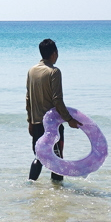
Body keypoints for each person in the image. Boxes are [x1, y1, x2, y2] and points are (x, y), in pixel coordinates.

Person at [26, 38, 81, 182]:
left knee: (39, 156)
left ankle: (30, 185)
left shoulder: (31, 71)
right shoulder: (54, 72)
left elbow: (28, 98)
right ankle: (57, 192)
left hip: (37, 123)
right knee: (57, 159)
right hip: (52, 126)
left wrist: (30, 121)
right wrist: (69, 119)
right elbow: (57, 100)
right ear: (54, 53)